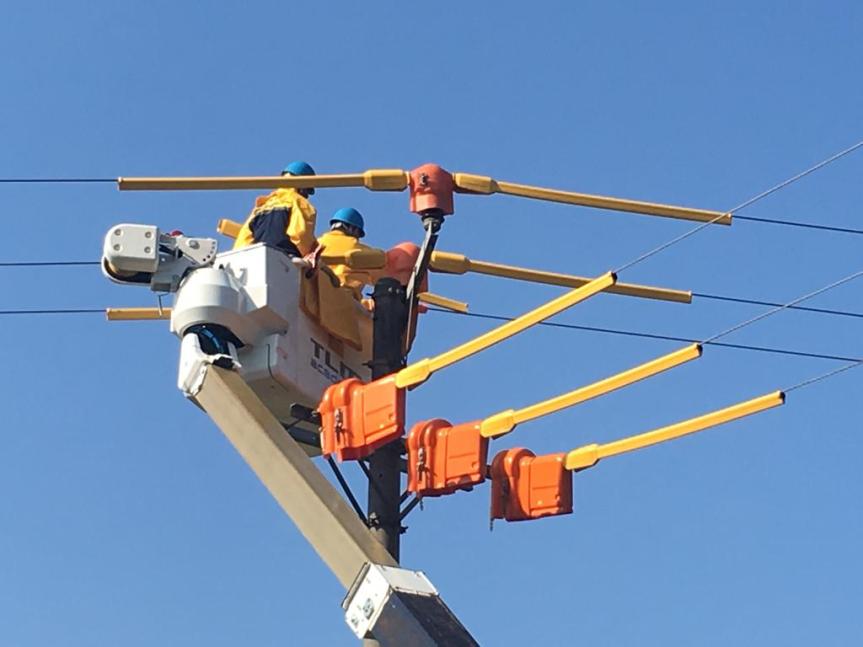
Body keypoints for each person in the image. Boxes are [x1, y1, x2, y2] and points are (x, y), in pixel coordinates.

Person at [233, 160, 318, 258]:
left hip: (259, 256)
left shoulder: (263, 205)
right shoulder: (299, 202)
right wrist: (307, 254)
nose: (306, 196)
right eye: (307, 191)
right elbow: (300, 234)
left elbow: (243, 240)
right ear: (302, 186)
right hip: (285, 256)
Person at [317, 207, 379, 299]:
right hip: (344, 300)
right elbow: (381, 276)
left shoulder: (317, 243)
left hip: (315, 297)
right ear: (353, 229)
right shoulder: (360, 250)